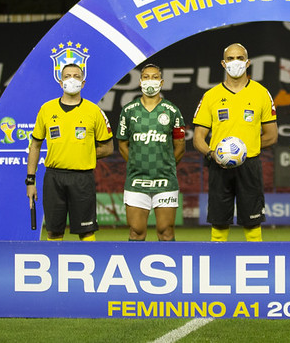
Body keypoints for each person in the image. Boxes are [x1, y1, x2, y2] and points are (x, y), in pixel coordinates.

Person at [192, 43, 278, 242]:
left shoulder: (261, 93)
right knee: (219, 221)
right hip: (218, 165)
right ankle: (217, 266)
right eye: (230, 59)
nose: (235, 62)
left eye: (239, 58)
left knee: (252, 222)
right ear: (223, 63)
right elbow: (198, 138)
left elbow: (271, 136)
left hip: (250, 165)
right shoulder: (211, 96)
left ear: (247, 63)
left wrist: (245, 150)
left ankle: (256, 265)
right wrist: (213, 154)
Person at [26, 63, 114, 241]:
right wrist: (30, 181)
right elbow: (35, 146)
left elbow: (108, 148)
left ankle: (90, 267)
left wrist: (83, 152)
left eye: (76, 76)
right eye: (67, 76)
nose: (71, 79)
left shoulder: (94, 111)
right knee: (54, 231)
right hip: (53, 177)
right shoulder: (46, 109)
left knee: (86, 231)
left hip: (82, 178)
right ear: (60, 82)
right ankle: (54, 268)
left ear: (83, 82)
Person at [117, 64, 186, 241]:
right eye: (146, 77)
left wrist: (166, 165)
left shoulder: (172, 111)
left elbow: (180, 146)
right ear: (140, 82)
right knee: (136, 231)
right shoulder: (128, 111)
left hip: (165, 181)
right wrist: (135, 164)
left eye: (154, 77)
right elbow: (123, 145)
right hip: (136, 181)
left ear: (161, 82)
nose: (150, 81)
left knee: (166, 231)